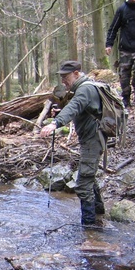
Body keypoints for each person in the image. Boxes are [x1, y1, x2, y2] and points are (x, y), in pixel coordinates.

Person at [40, 61, 104, 226]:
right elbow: (81, 108)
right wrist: (62, 112)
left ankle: (90, 227)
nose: (63, 81)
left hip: (93, 140)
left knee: (83, 184)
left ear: (76, 73)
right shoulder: (83, 88)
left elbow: (75, 106)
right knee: (89, 178)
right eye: (61, 77)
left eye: (65, 77)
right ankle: (99, 215)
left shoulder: (85, 89)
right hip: (90, 140)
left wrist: (56, 123)